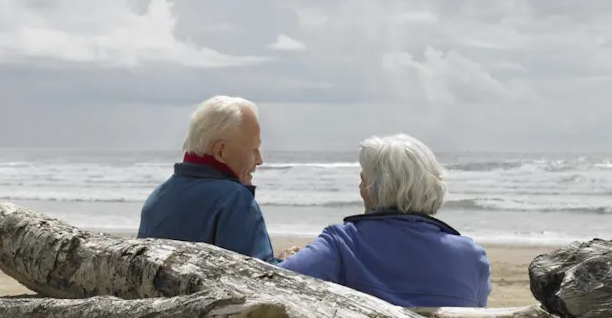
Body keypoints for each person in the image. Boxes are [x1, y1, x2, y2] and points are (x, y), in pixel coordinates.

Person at [278, 133, 491, 307]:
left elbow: (277, 284)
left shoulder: (343, 243)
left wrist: (284, 261)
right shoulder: (473, 258)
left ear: (373, 190)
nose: (360, 189)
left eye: (363, 180)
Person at [138, 96, 295, 263]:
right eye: (253, 149)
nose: (259, 160)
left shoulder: (157, 198)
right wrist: (289, 262)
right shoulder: (234, 199)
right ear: (221, 151)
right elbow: (259, 278)